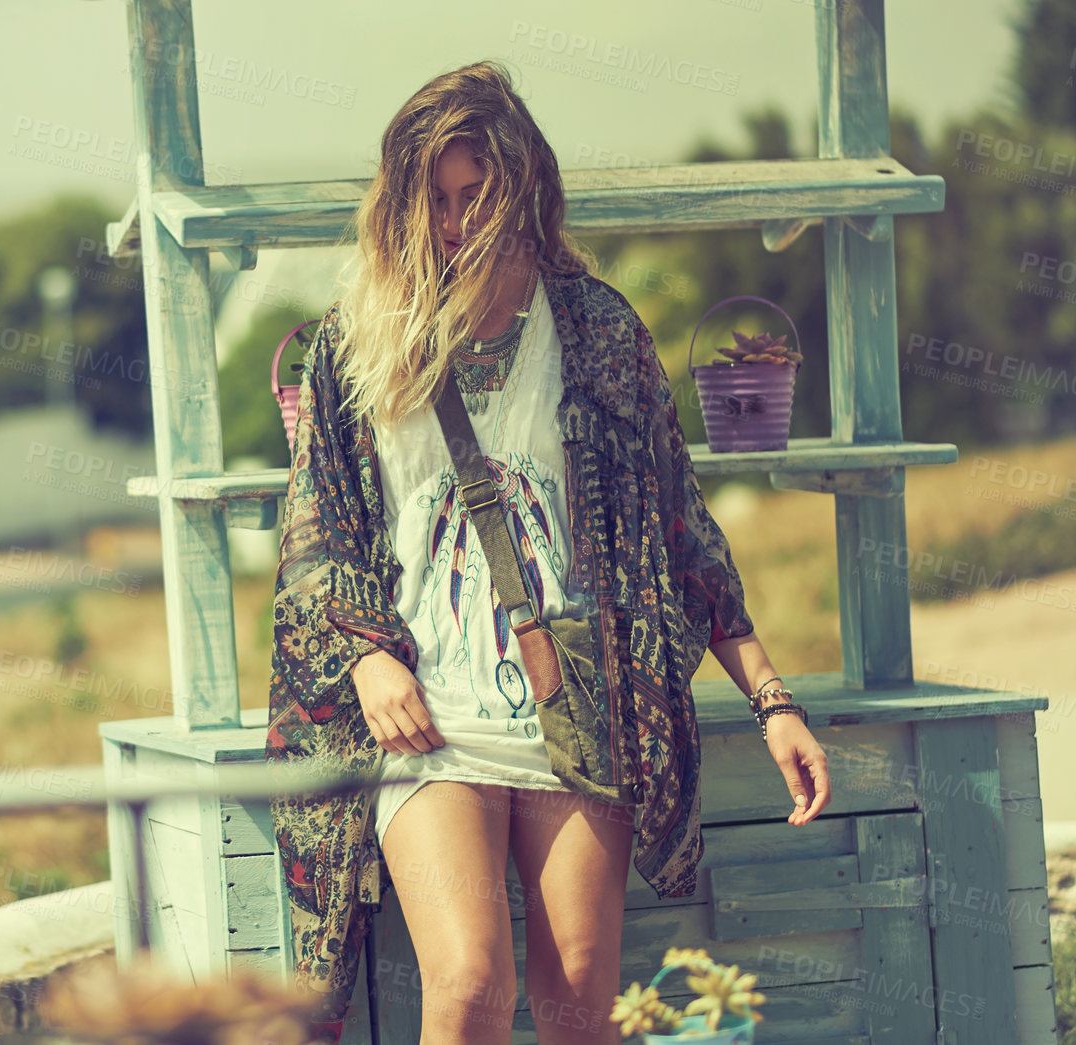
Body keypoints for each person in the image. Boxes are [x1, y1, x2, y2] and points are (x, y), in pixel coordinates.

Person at [263, 60, 831, 1045]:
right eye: (433, 200)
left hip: (573, 703)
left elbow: (679, 529)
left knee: (577, 1003)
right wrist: (366, 653)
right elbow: (316, 528)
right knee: (468, 982)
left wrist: (773, 702)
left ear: (522, 186)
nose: (452, 221)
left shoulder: (596, 332)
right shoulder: (354, 341)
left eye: (474, 196)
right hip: (423, 715)